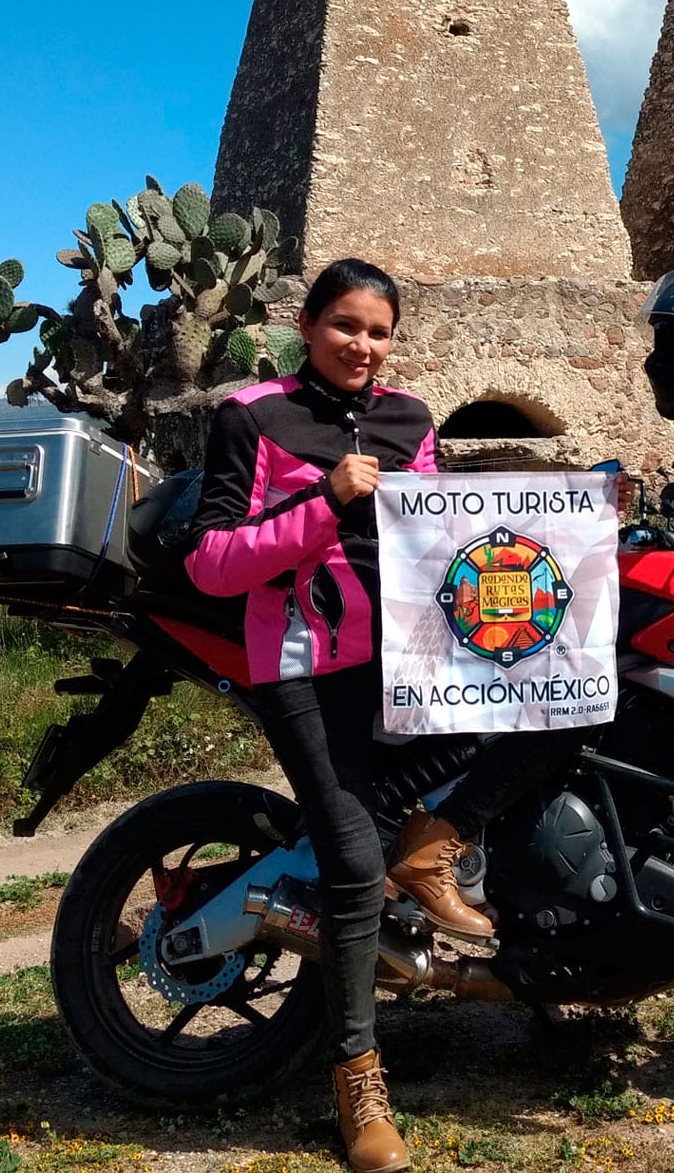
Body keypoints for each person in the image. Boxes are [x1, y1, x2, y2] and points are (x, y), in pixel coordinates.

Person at [185, 258, 574, 1173]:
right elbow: (210, 560)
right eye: (346, 326)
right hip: (298, 661)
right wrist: (323, 502)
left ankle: (437, 841)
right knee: (355, 866)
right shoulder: (252, 416)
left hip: (405, 660)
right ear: (308, 325)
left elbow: (443, 541)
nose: (363, 346)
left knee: (565, 703)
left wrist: (575, 529)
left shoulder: (411, 420)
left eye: (379, 331)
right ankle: (358, 1074)